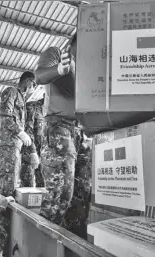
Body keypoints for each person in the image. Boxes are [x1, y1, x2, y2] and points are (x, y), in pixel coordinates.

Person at [35, 34, 92, 231]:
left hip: (82, 132)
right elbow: (39, 76)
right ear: (73, 44)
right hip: (59, 128)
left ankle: (71, 249)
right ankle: (40, 248)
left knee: (82, 196)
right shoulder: (57, 54)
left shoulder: (90, 67)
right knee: (60, 195)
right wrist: (59, 69)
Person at [0, 71, 40, 197]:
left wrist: (32, 150)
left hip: (15, 144)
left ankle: (7, 212)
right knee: (9, 182)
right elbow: (5, 116)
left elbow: (25, 127)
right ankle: (4, 214)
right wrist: (20, 132)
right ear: (27, 81)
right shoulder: (11, 91)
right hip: (8, 142)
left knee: (13, 181)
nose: (33, 88)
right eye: (33, 84)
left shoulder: (22, 99)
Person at [21, 84, 46, 188]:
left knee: (43, 186)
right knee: (28, 186)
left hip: (44, 154)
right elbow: (27, 130)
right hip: (30, 153)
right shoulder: (32, 107)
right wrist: (32, 151)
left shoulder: (54, 112)